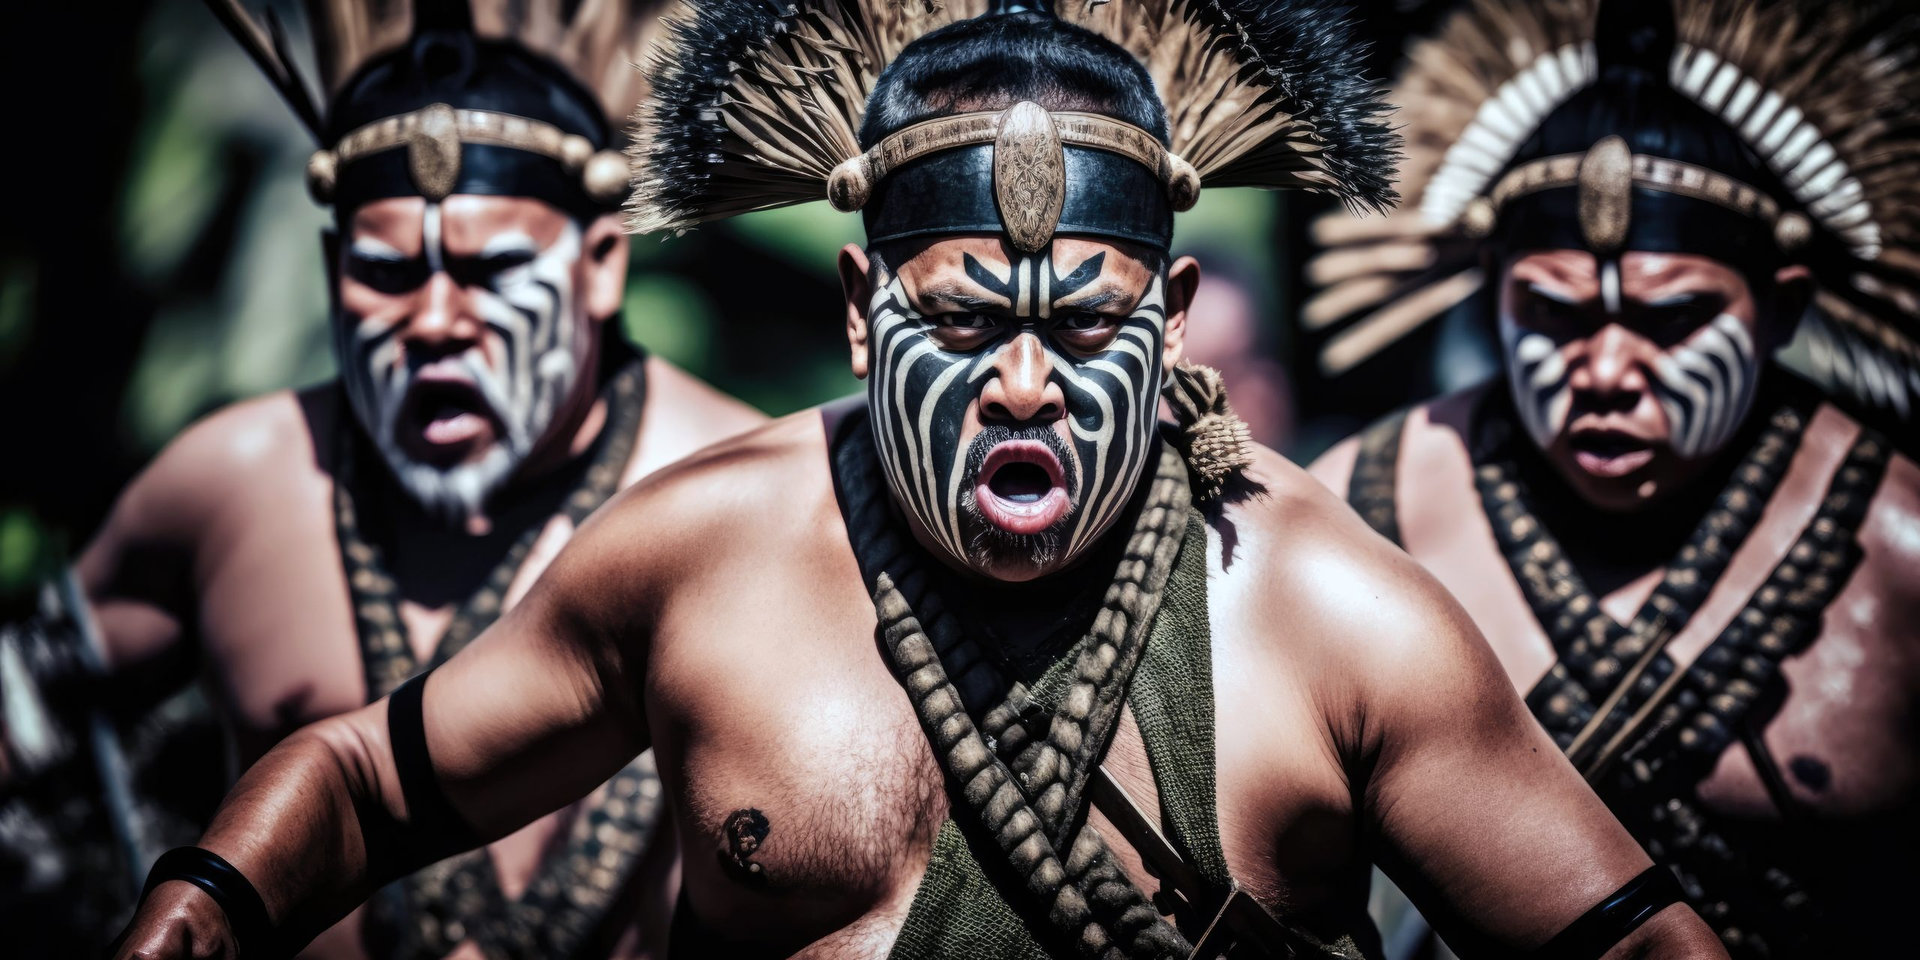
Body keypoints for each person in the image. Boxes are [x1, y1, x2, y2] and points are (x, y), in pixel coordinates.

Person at [116, 2, 1727, 958]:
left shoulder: (1330, 615)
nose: (1023, 383)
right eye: (961, 321)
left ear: (1171, 319)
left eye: (1083, 327)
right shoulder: (703, 552)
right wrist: (203, 902)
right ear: (856, 310)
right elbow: (362, 784)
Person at [0, 1, 766, 957]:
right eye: (388, 273)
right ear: (331, 269)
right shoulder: (235, 481)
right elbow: (26, 710)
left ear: (601, 264)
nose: (436, 319)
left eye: (490, 270)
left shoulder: (741, 502)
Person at [1306, 0, 1920, 955]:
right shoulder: (1359, 516)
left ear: (1780, 309)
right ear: (1491, 292)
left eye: (1671, 319)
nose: (1603, 370)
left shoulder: (1900, 550)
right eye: (1551, 312)